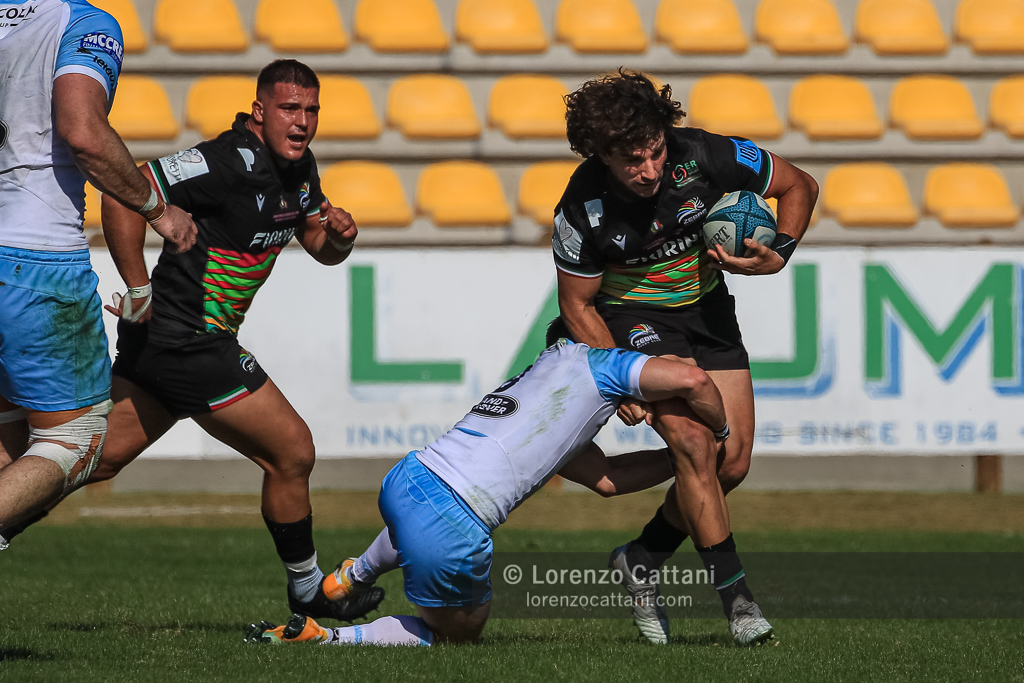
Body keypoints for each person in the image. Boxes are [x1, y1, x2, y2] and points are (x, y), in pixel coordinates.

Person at [8, 59, 380, 623]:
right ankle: (308, 590)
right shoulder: (226, 161)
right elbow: (124, 192)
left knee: (87, 459)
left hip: (169, 346)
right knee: (293, 451)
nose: (301, 121)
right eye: (289, 108)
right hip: (189, 341)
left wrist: (341, 239)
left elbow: (316, 243)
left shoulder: (299, 170)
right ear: (259, 111)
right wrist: (138, 287)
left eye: (311, 110)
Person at [245, 322, 772, 647]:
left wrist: (677, 458)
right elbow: (694, 381)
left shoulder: (539, 383)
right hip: (454, 524)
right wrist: (720, 435)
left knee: (422, 524)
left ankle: (350, 576)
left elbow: (609, 480)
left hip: (408, 479)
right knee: (457, 636)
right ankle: (324, 636)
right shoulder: (601, 363)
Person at [552, 69, 818, 644]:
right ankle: (739, 604)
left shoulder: (704, 153)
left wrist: (781, 251)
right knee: (695, 443)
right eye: (632, 161)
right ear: (601, 154)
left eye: (655, 152)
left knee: (732, 463)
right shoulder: (580, 205)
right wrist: (619, 376)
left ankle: (642, 558)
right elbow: (577, 306)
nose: (649, 170)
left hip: (707, 310)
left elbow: (800, 185)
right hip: (632, 321)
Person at [0, 0, 196, 549]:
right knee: (75, 442)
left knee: (10, 443)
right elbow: (83, 132)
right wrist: (158, 210)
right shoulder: (83, 23)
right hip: (33, 256)